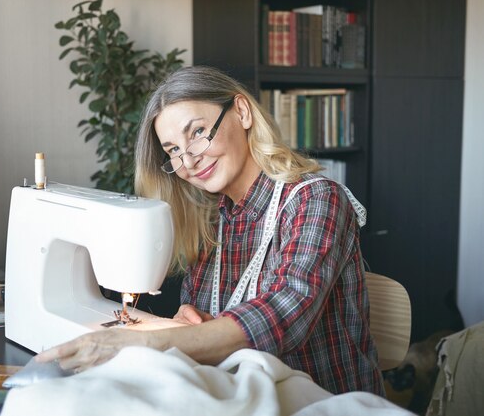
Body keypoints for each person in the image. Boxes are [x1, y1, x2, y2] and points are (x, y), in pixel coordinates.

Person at [37, 66, 385, 396]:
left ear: (242, 112)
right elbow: (201, 320)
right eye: (173, 150)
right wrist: (192, 324)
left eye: (198, 133)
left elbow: (284, 314)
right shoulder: (212, 219)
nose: (188, 161)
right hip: (242, 396)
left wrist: (145, 343)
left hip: (324, 401)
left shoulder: (315, 198)